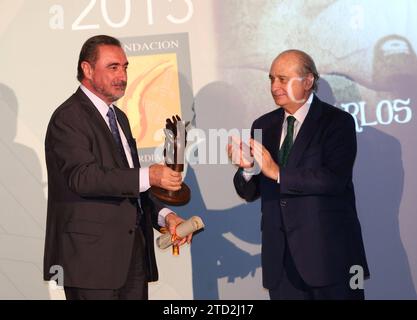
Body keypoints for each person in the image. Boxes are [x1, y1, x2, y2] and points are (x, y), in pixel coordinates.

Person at [43, 35, 192, 300]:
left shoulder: (119, 118)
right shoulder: (68, 117)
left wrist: (164, 216)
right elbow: (83, 177)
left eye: (125, 67)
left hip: (131, 259)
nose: (122, 75)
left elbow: (127, 185)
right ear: (87, 69)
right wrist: (151, 175)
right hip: (90, 263)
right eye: (113, 67)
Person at [228, 49, 369, 300]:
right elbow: (250, 192)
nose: (274, 86)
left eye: (282, 79)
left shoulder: (337, 122)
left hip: (330, 259)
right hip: (281, 263)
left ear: (308, 81)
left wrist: (277, 172)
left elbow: (334, 180)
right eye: (271, 79)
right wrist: (248, 168)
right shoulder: (263, 125)